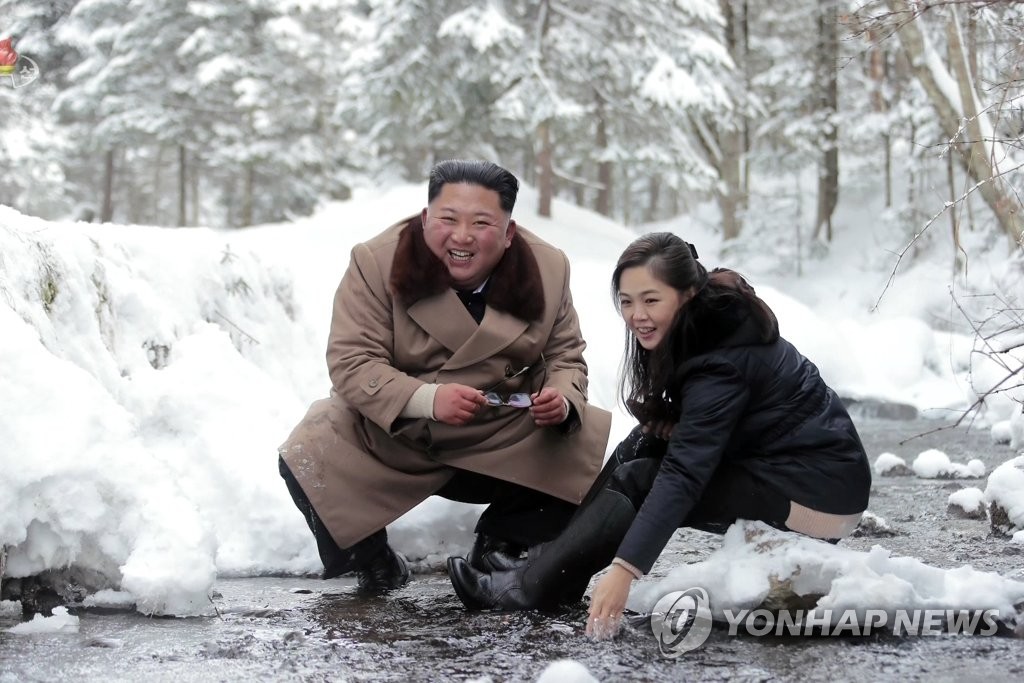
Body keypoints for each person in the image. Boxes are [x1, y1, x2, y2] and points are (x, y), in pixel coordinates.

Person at [447, 232, 871, 638]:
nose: (637, 315)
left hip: (819, 504)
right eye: (627, 302)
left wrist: (624, 569)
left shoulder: (721, 361)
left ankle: (531, 588)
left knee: (644, 477)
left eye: (651, 300)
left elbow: (683, 477)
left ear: (687, 293)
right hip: (776, 468)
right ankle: (545, 558)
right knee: (643, 441)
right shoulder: (704, 323)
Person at [279, 159, 612, 594]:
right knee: (308, 450)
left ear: (509, 233)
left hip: (499, 432)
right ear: (424, 220)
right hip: (401, 431)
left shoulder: (548, 268)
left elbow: (567, 354)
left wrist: (561, 397)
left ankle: (501, 546)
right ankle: (372, 562)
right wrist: (427, 399)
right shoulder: (375, 261)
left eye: (481, 222)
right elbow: (351, 360)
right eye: (448, 219)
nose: (462, 236)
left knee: (582, 436)